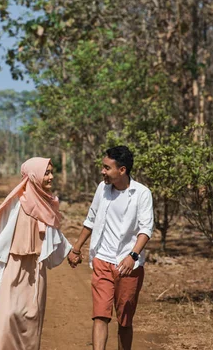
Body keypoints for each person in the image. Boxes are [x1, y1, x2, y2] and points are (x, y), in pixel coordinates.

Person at [0, 157, 72, 350]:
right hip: (11, 268)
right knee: (6, 317)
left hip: (35, 271)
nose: (51, 177)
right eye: (46, 173)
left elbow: (55, 234)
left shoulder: (47, 203)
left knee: (31, 320)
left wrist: (72, 252)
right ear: (33, 175)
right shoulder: (18, 203)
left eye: (51, 172)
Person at [67, 146, 154, 350]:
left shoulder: (141, 193)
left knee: (124, 320)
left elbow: (146, 228)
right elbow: (91, 219)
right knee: (100, 316)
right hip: (102, 261)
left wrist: (133, 255)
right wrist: (77, 248)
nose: (102, 172)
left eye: (107, 168)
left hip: (128, 267)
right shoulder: (102, 189)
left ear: (122, 170)